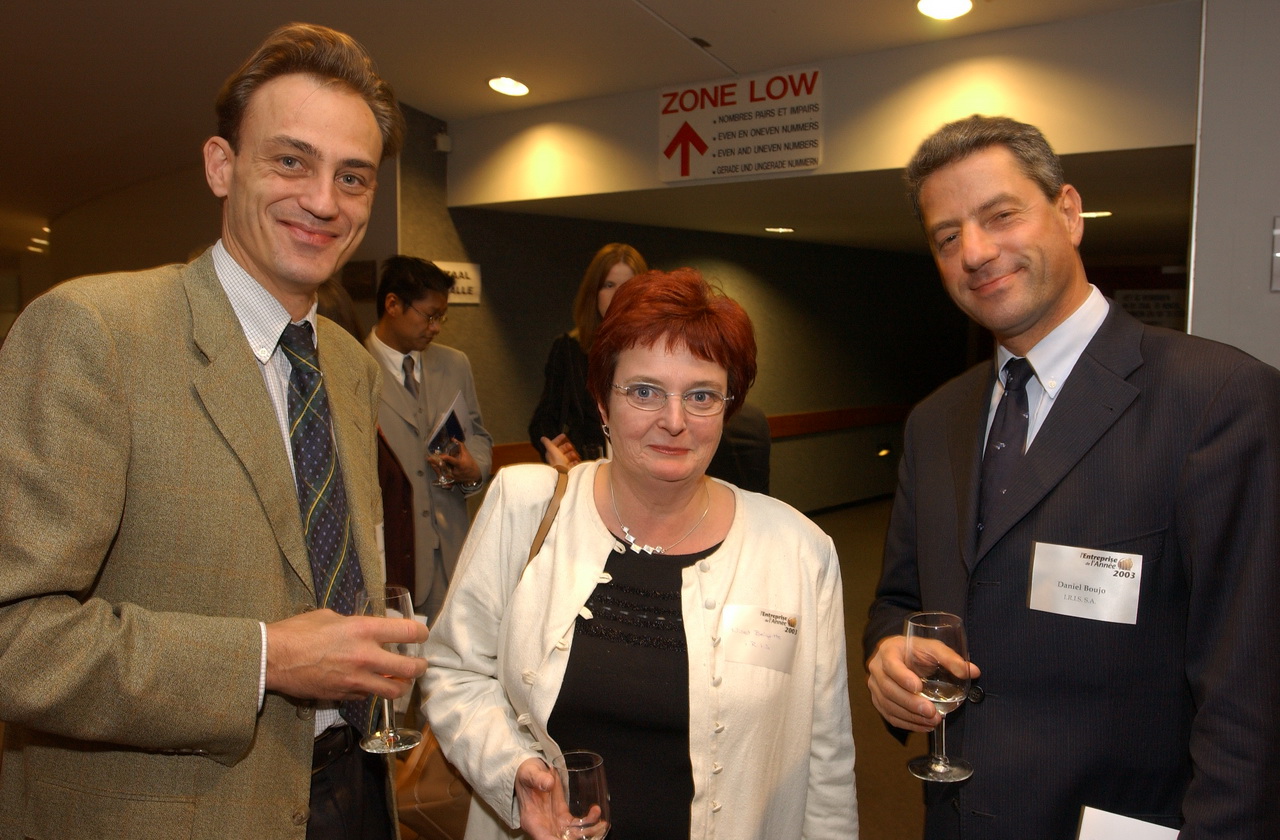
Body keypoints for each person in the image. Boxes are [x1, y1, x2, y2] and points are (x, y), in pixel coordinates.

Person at [0, 23, 429, 839]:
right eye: (291, 161)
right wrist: (267, 659)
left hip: (357, 789)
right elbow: (13, 639)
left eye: (353, 176)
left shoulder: (347, 363)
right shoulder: (94, 331)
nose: (324, 201)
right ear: (221, 166)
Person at [864, 114, 1280, 838]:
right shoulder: (935, 421)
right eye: (947, 237)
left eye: (1000, 216)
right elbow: (902, 599)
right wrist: (888, 656)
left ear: (1069, 212)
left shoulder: (1217, 399)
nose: (976, 252)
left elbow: (1251, 691)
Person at [426, 268, 857, 840]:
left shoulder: (798, 551)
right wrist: (512, 770)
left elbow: (825, 759)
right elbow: (455, 670)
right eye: (645, 391)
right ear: (603, 401)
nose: (674, 421)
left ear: (727, 408)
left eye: (701, 395)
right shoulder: (525, 506)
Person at [366, 255, 493, 621]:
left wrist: (473, 468)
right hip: (393, 559)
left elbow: (478, 435)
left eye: (442, 318)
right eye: (429, 316)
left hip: (454, 551)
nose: (436, 328)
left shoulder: (455, 364)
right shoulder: (356, 366)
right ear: (393, 305)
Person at [527, 242, 647, 467]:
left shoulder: (659, 351)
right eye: (609, 285)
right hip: (588, 471)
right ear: (594, 293)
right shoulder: (568, 349)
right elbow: (543, 421)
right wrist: (560, 451)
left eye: (627, 286)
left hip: (646, 472)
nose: (618, 295)